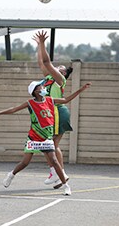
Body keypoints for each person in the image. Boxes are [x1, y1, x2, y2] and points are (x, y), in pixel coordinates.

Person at [0, 80, 91, 196]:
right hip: (34, 138)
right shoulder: (30, 103)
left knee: (54, 161)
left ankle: (66, 186)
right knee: (25, 162)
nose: (43, 87)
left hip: (47, 138)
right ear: (36, 91)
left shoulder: (50, 100)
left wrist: (81, 89)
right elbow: (14, 109)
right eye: (41, 86)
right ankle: (11, 175)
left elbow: (66, 100)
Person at [33, 30, 74, 188]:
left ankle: (58, 173)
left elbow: (47, 62)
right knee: (48, 144)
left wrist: (43, 43)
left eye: (60, 67)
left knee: (51, 144)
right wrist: (39, 46)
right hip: (51, 112)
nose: (57, 67)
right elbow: (41, 63)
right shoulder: (49, 77)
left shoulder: (59, 79)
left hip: (58, 111)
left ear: (63, 73)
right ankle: (58, 173)